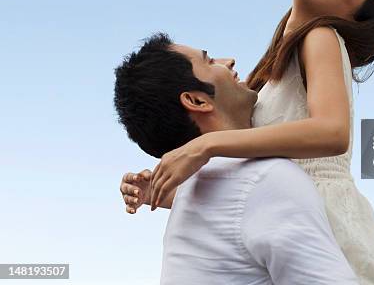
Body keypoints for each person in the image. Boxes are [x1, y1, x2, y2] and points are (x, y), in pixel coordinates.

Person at [120, 0, 374, 284]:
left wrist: (204, 146)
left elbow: (333, 132)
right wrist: (166, 193)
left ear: (351, 19)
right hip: (287, 216)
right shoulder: (271, 72)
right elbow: (246, 189)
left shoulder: (321, 36)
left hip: (327, 215)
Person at [114, 34, 358, 284]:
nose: (229, 61)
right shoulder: (266, 181)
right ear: (197, 100)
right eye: (209, 62)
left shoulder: (193, 194)